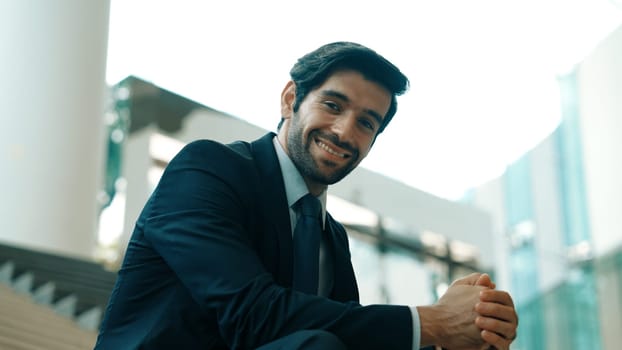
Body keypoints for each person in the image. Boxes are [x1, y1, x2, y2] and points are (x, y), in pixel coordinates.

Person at [95, 41, 518, 350]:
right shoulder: (206, 170)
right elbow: (253, 315)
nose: (344, 132)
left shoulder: (331, 237)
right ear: (290, 99)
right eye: (333, 106)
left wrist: (469, 331)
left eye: (366, 123)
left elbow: (351, 337)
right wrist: (436, 322)